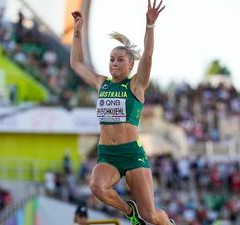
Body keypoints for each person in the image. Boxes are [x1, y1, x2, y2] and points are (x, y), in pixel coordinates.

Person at [70, 1, 175, 224]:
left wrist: (150, 26)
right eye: (111, 59)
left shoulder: (136, 86)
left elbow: (147, 56)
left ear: (130, 66)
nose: (114, 64)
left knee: (152, 215)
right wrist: (77, 33)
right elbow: (77, 64)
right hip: (107, 154)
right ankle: (129, 212)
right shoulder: (102, 83)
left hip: (131, 154)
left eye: (120, 60)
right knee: (97, 186)